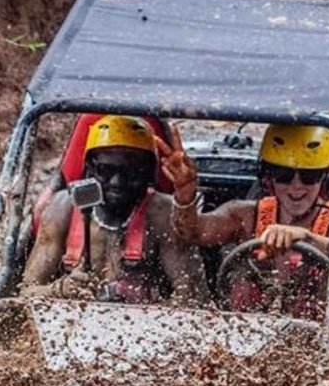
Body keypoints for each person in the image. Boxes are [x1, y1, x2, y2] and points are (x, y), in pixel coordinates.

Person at [160, 122, 329, 318]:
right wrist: (184, 195)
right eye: (284, 174)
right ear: (269, 175)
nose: (296, 186)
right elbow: (192, 232)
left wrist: (306, 237)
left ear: (324, 176)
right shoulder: (245, 216)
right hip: (246, 340)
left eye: (309, 176)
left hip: (321, 344)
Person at [22, 114, 207, 304]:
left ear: (149, 173)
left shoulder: (164, 215)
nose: (117, 182)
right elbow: (26, 292)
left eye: (131, 172)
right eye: (106, 170)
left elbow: (195, 297)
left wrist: (150, 305)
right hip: (69, 324)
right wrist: (58, 290)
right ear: (89, 169)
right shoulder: (63, 209)